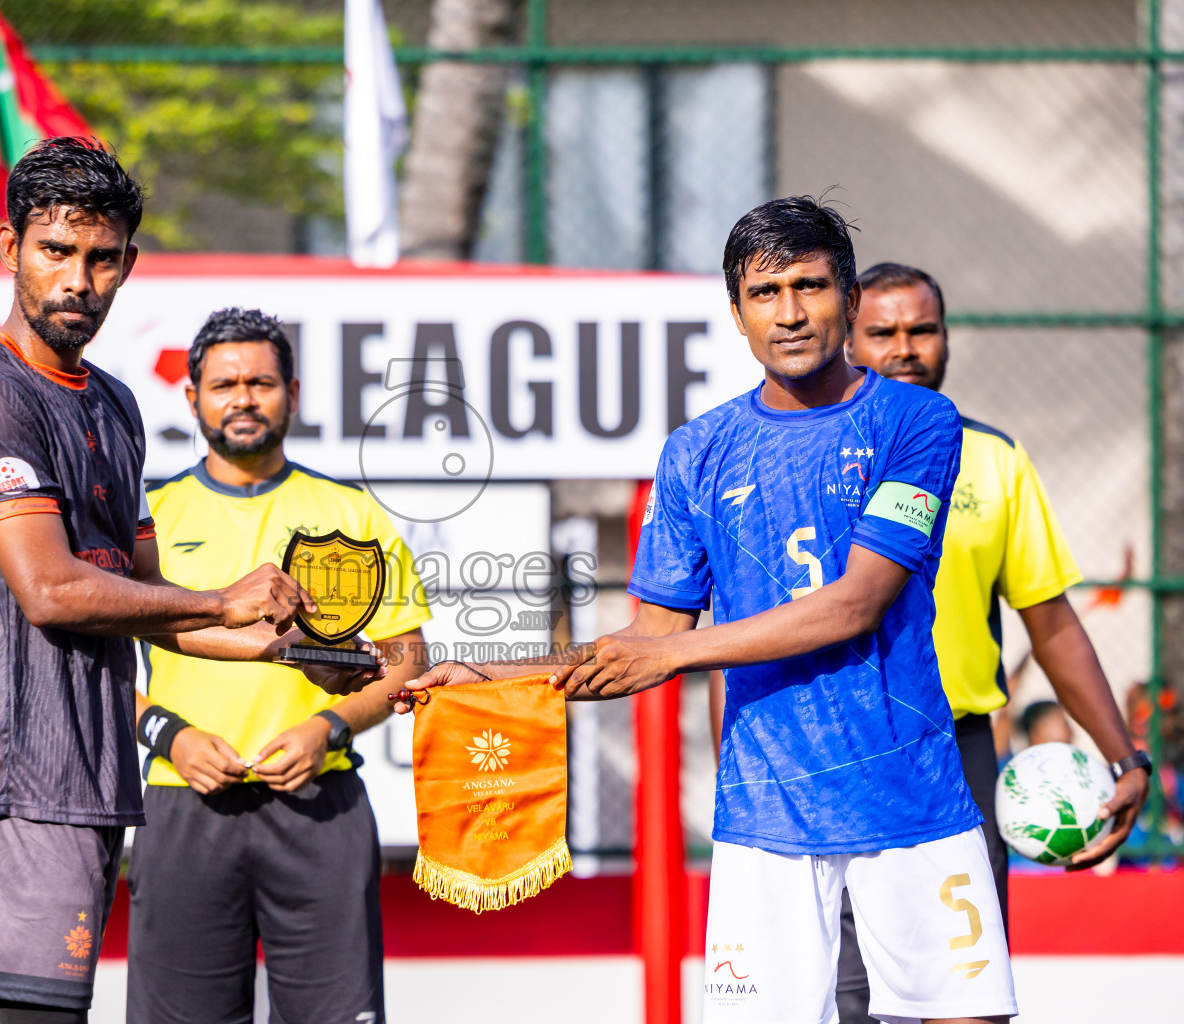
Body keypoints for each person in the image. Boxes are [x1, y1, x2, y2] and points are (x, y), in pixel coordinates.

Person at [409, 196, 1017, 1023]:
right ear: (737, 313)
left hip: (911, 799)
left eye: (810, 287)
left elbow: (857, 603)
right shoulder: (696, 452)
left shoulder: (917, 421)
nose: (789, 313)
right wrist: (487, 677)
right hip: (765, 815)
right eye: (765, 293)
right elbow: (648, 638)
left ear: (848, 300)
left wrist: (671, 653)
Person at [0, 141, 378, 1024]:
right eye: (56, 251)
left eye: (102, 257)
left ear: (127, 264)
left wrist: (290, 654)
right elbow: (51, 591)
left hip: (92, 780)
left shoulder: (115, 405)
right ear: (10, 248)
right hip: (15, 781)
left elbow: (151, 608)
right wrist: (224, 599)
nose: (78, 279)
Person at [821, 262, 1151, 1023]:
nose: (905, 348)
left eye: (922, 330)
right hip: (837, 753)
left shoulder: (994, 458)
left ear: (946, 338)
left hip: (958, 754)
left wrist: (1123, 756)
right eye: (883, 332)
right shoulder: (804, 453)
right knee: (847, 999)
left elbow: (1051, 622)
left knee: (969, 998)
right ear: (849, 340)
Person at [126, 308, 431, 1024]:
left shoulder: (351, 513)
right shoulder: (148, 519)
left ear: (291, 393)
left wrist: (329, 727)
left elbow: (407, 657)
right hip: (181, 801)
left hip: (319, 803)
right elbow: (91, 666)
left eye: (260, 383)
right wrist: (171, 736)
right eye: (223, 384)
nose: (243, 398)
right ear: (192, 397)